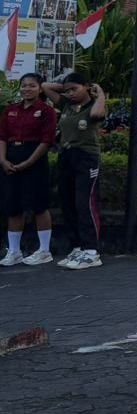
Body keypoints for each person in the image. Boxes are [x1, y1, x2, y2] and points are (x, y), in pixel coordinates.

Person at [40, 72, 105, 269]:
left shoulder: (94, 106)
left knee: (84, 203)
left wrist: (98, 92)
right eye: (68, 91)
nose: (71, 94)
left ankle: (91, 251)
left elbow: (96, 115)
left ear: (86, 87)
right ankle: (77, 247)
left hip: (86, 158)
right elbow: (45, 87)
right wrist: (67, 88)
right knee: (67, 203)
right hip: (66, 156)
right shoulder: (67, 105)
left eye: (74, 89)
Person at [1, 73, 59, 267]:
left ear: (40, 88)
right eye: (24, 85)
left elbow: (47, 141)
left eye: (32, 86)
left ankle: (44, 250)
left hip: (35, 159)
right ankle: (14, 251)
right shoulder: (10, 111)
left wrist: (28, 162)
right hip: (11, 158)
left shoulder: (46, 111)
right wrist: (2, 160)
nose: (27, 89)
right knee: (12, 205)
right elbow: (2, 137)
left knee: (38, 205)